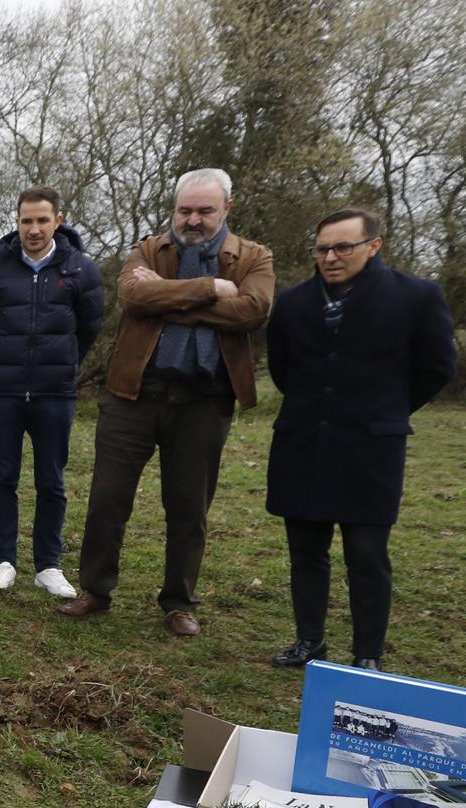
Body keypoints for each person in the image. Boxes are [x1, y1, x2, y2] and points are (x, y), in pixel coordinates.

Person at [57, 168, 275, 636]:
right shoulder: (150, 249)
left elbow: (253, 310)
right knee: (107, 500)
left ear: (227, 210)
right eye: (185, 210)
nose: (193, 220)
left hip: (204, 399)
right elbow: (134, 294)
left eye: (205, 210)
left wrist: (168, 298)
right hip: (134, 393)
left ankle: (179, 603)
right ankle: (95, 590)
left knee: (188, 506)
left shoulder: (254, 257)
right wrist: (210, 289)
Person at [265, 209, 457, 673]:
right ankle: (309, 639)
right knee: (305, 551)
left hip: (371, 448)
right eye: (322, 248)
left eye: (342, 247)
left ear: (374, 245)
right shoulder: (293, 303)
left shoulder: (416, 297)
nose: (330, 257)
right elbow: (282, 367)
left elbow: (437, 367)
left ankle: (367, 653)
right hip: (303, 443)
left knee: (367, 555)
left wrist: (388, 409)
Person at [0, 186, 106, 596]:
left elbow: (88, 328)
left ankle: (48, 564)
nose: (34, 228)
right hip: (4, 392)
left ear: (58, 220)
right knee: (3, 477)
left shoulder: (82, 270)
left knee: (52, 480)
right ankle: (3, 560)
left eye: (43, 220)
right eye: (26, 220)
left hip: (55, 392)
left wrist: (58, 361)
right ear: (17, 222)